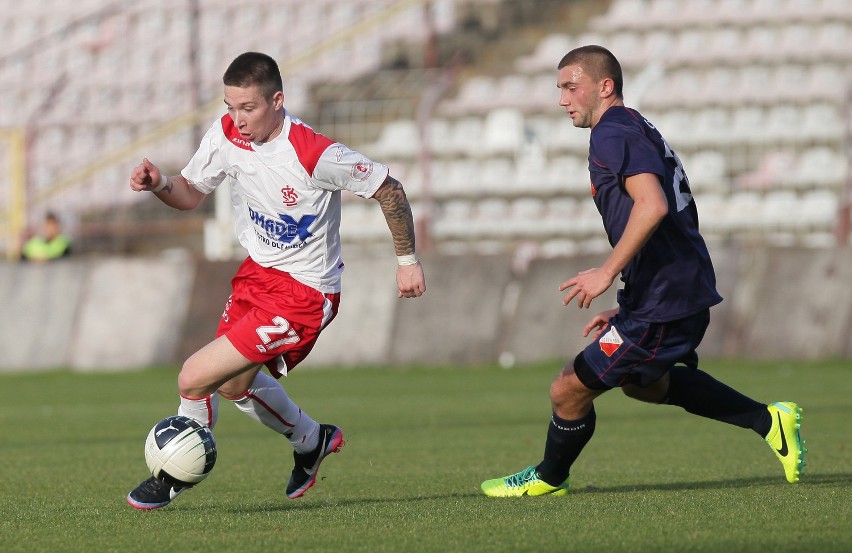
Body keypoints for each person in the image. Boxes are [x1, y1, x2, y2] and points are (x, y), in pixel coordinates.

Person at [480, 45, 805, 497]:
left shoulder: (612, 132)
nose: (562, 99)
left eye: (571, 86)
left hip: (666, 298)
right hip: (662, 291)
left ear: (604, 86)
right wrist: (627, 302)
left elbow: (652, 206)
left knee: (567, 389)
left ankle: (548, 478)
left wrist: (607, 272)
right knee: (643, 385)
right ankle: (770, 421)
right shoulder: (631, 126)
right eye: (559, 89)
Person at [126, 52, 426, 509]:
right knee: (231, 386)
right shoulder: (227, 134)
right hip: (257, 275)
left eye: (248, 108)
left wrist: (406, 260)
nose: (237, 119)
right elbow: (189, 194)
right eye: (230, 107)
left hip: (304, 293)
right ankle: (311, 441)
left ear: (278, 100)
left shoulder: (313, 152)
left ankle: (173, 475)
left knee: (194, 377)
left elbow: (389, 187)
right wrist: (160, 183)